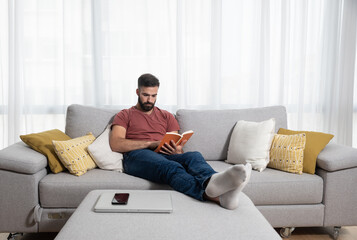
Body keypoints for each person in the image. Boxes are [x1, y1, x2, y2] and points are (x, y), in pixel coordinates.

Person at [109, 73, 251, 210]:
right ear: (137, 92)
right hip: (137, 156)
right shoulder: (125, 115)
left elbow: (177, 145)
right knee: (170, 167)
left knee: (193, 156)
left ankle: (213, 183)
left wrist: (177, 151)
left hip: (164, 154)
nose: (149, 100)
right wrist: (150, 143)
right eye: (145, 95)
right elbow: (116, 143)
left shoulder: (167, 116)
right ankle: (213, 195)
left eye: (154, 96)